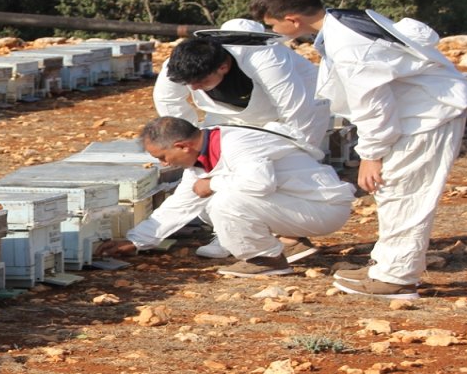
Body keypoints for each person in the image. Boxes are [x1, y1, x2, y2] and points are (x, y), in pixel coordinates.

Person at [248, 0, 467, 299]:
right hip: (416, 111)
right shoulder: (343, 21)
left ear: (292, 20)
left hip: (426, 115)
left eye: (273, 24)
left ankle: (397, 278)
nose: (272, 30)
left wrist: (371, 155)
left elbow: (373, 105)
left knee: (404, 193)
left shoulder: (348, 46)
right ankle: (385, 265)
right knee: (393, 191)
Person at [153, 18, 331, 260]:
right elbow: (168, 102)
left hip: (291, 113)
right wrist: (193, 143)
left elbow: (296, 111)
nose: (194, 88)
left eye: (201, 82)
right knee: (214, 168)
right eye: (189, 83)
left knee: (274, 172)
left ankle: (290, 236)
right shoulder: (181, 62)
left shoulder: (266, 59)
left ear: (223, 66)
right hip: (228, 115)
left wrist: (287, 152)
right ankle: (229, 232)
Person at [95, 117, 355, 278]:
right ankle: (287, 244)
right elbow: (181, 204)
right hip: (299, 205)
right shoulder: (202, 154)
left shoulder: (237, 144)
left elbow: (260, 183)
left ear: (182, 146)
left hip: (322, 208)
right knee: (209, 202)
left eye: (162, 157)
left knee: (223, 201)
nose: (164, 164)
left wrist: (213, 183)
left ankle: (265, 260)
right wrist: (136, 240)